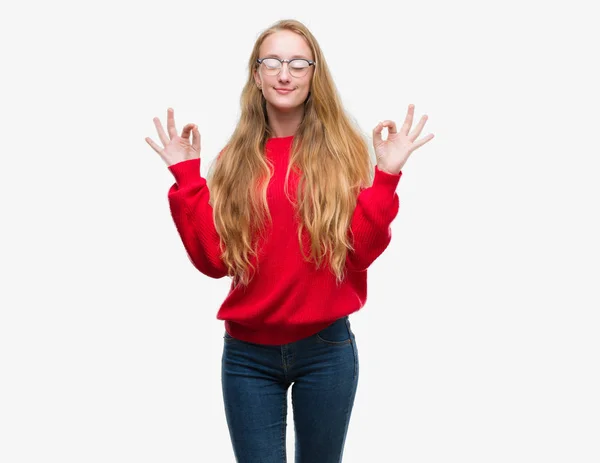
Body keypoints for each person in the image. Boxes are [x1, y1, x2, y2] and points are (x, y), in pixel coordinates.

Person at [145, 18, 434, 463]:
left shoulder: (344, 154)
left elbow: (358, 253)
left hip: (327, 350)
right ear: (256, 76)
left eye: (298, 63)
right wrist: (187, 178)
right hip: (246, 358)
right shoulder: (233, 161)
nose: (285, 73)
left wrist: (386, 178)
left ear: (314, 75)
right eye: (273, 62)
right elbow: (215, 260)